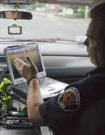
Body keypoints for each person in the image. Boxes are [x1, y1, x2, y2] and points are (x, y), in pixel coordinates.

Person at [14, 2, 105, 135]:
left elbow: (34, 114)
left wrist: (32, 78)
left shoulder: (92, 87)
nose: (85, 43)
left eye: (91, 39)